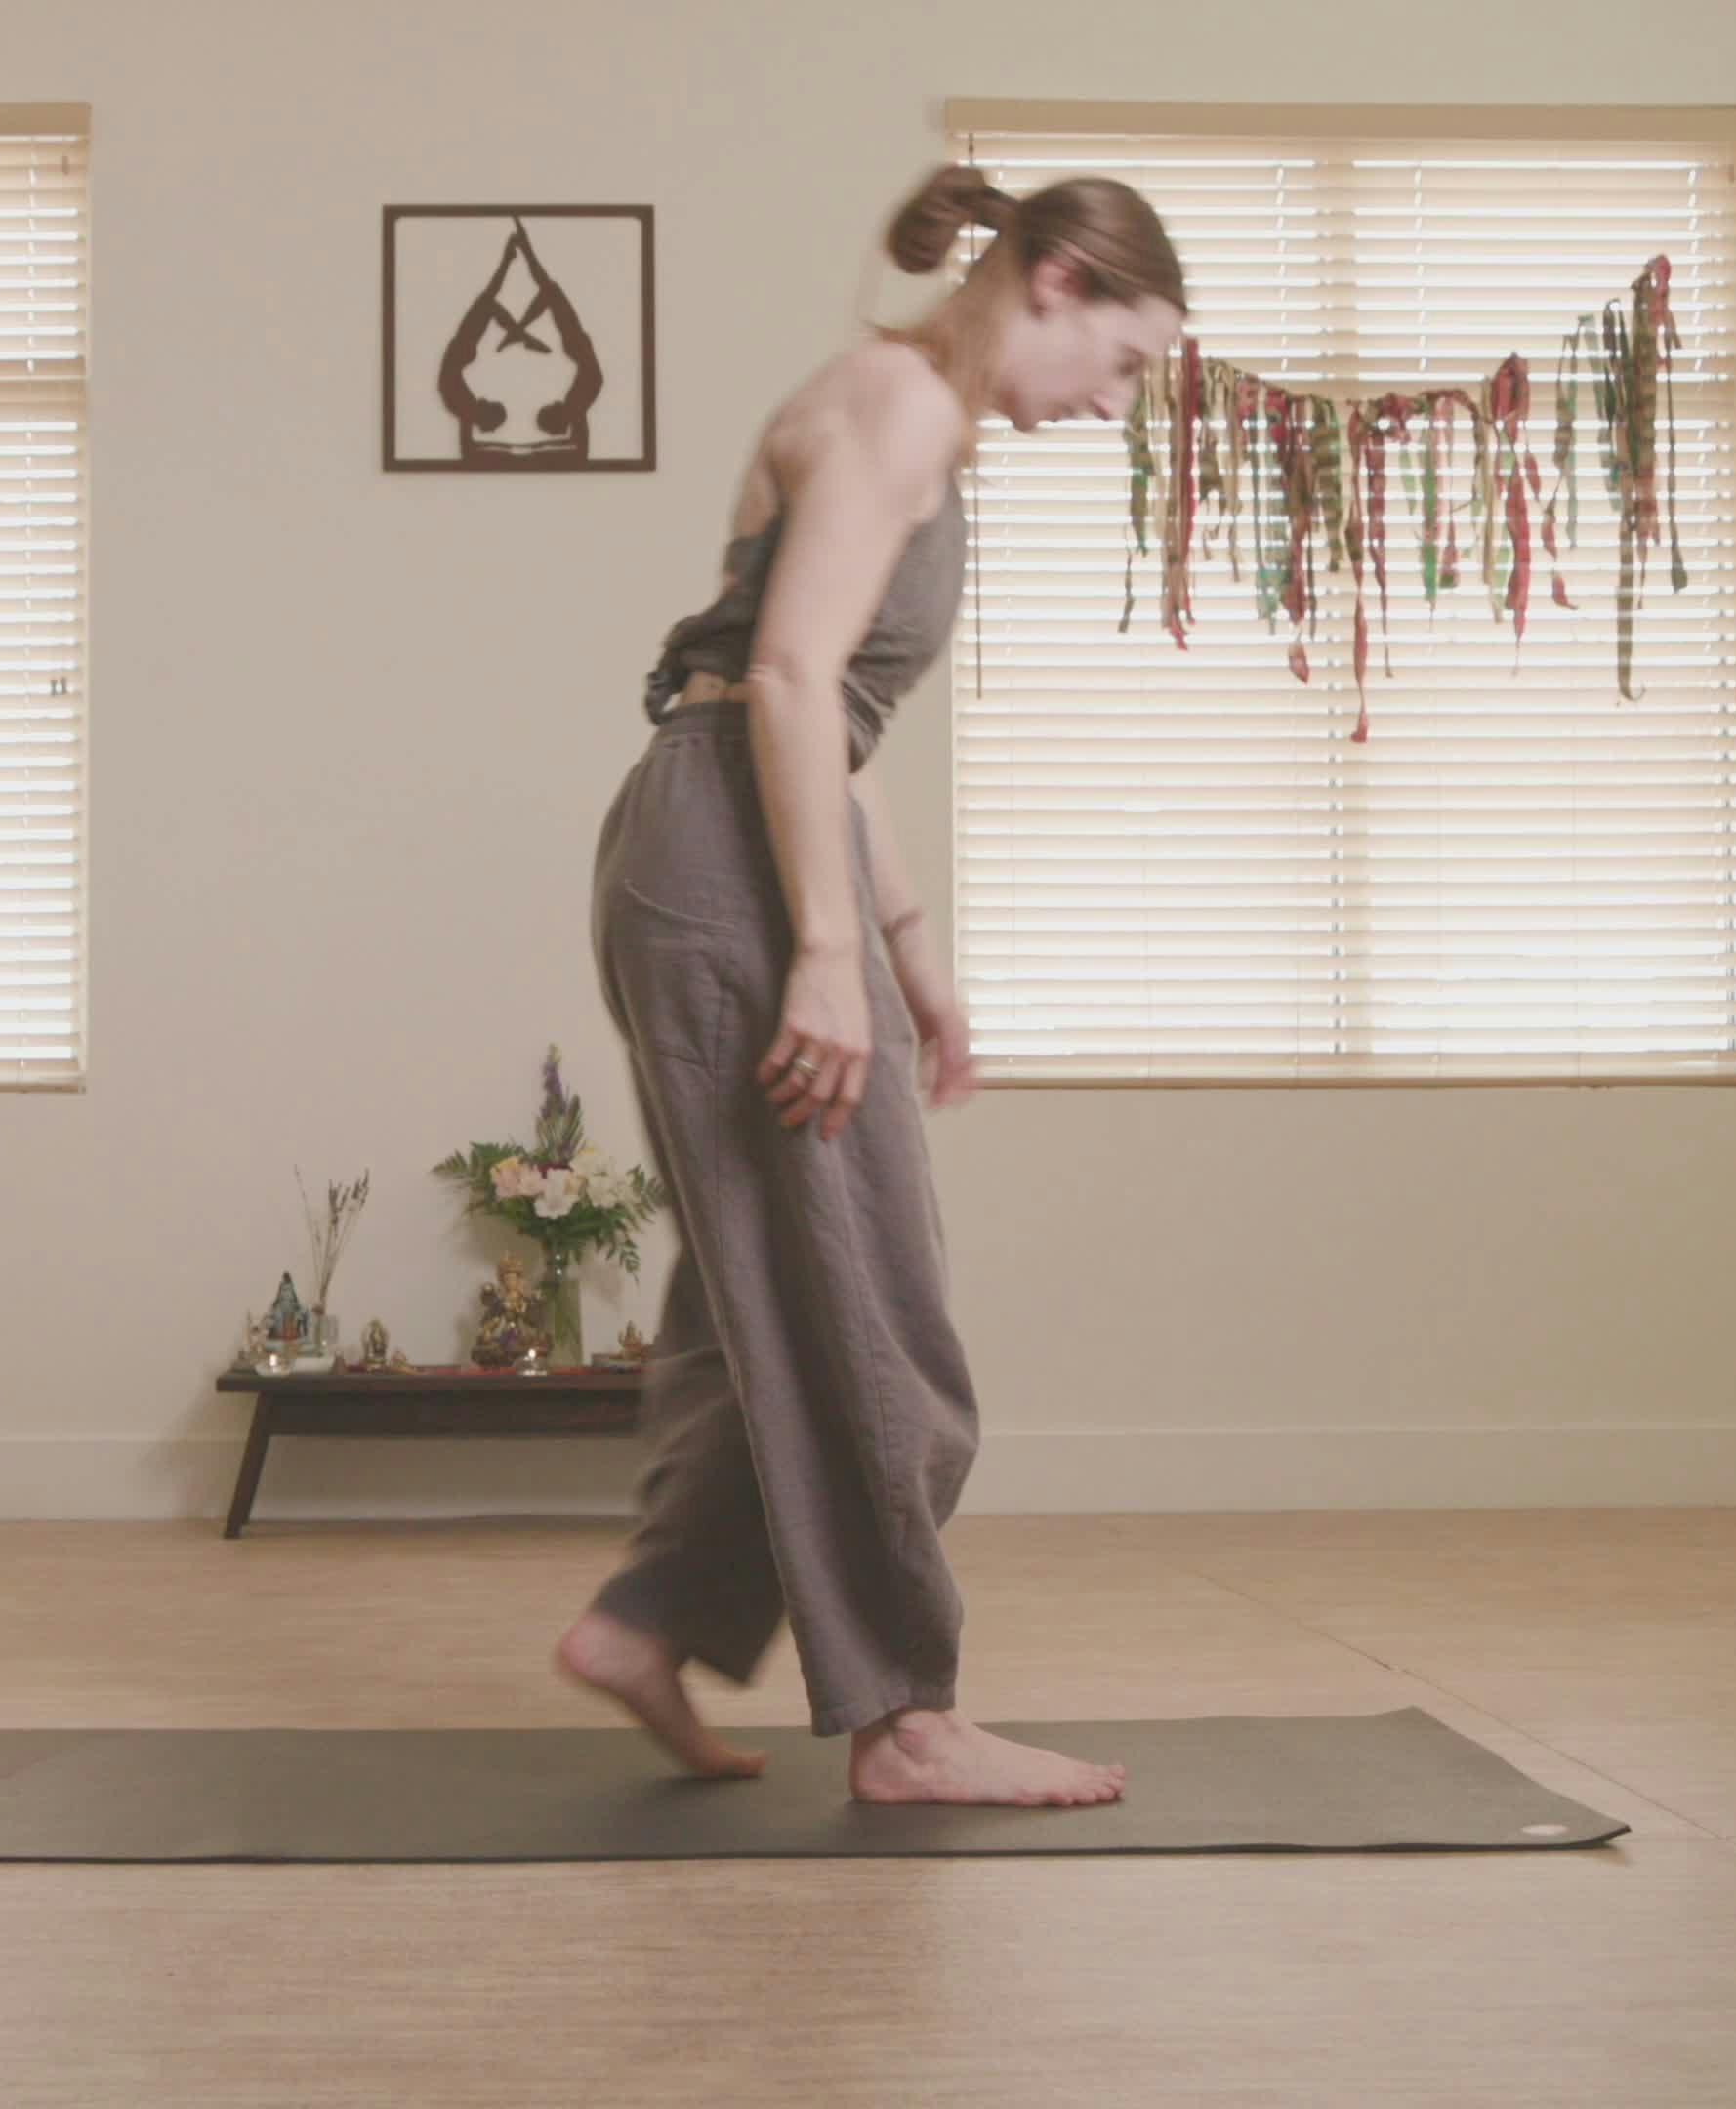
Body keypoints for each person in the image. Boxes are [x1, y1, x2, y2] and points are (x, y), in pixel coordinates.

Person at [552, 163, 1188, 1807]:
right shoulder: (900, 404)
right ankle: (907, 1722)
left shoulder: (908, 413)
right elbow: (781, 682)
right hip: (732, 855)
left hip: (725, 834)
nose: (1115, 404)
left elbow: (820, 711)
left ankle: (652, 1620)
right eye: (1125, 361)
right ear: (1057, 280)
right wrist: (825, 958)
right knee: (874, 1307)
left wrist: (906, 951)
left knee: (760, 1282)